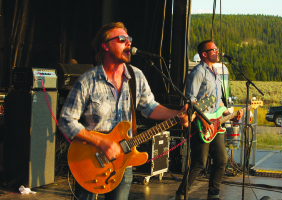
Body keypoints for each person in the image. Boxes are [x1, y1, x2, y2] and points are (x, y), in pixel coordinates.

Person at [58, 22, 192, 200]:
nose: (128, 43)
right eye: (122, 39)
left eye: (129, 39)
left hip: (124, 162)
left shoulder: (136, 76)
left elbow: (149, 107)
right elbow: (66, 120)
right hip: (90, 160)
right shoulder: (87, 81)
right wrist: (101, 142)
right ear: (105, 45)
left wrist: (176, 115)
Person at [175, 40, 243, 200]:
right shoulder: (198, 72)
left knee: (221, 160)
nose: (217, 52)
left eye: (217, 49)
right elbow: (190, 101)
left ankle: (214, 195)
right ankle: (181, 194)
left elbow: (217, 101)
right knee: (199, 162)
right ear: (204, 54)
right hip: (200, 124)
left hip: (216, 123)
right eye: (214, 50)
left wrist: (229, 113)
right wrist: (205, 121)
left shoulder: (215, 73)